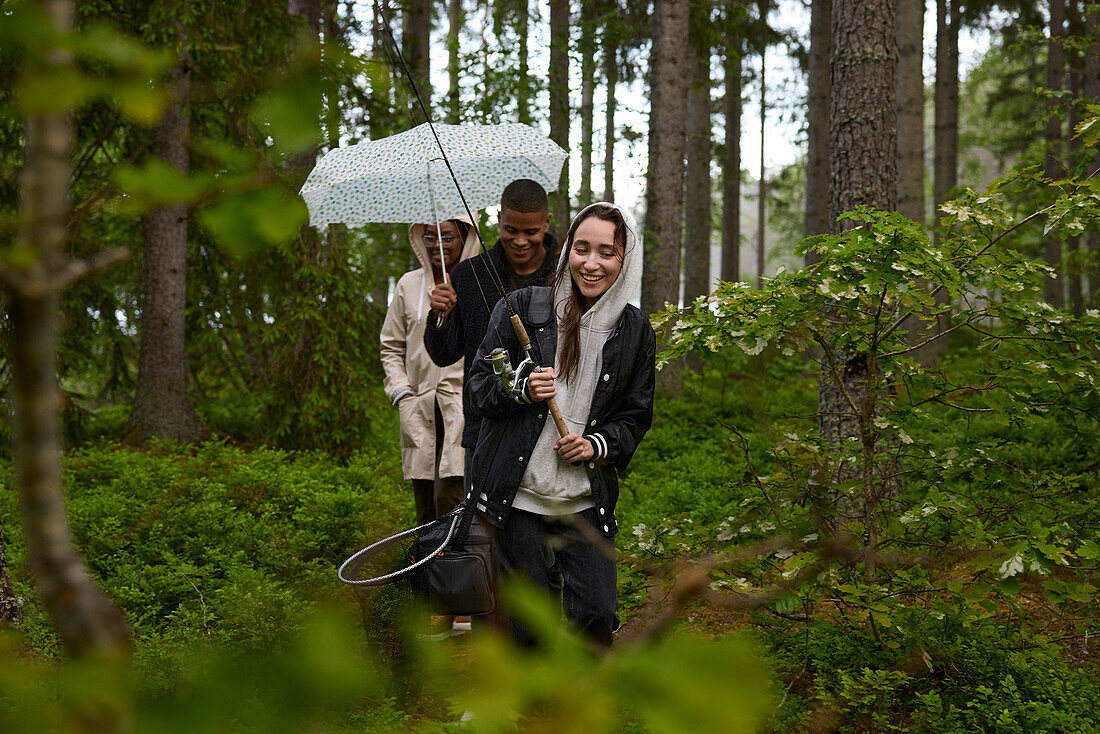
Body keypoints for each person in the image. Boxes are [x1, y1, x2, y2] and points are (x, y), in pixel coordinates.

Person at [465, 202, 655, 648]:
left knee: (596, 616)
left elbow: (635, 415)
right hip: (519, 500)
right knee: (527, 624)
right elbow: (476, 388)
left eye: (607, 253)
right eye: (582, 248)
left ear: (625, 260)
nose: (591, 264)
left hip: (584, 503)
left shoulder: (635, 331)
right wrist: (521, 388)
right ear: (567, 248)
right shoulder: (525, 309)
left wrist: (598, 445)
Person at [423, 179, 557, 479]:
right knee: (481, 525)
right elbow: (444, 355)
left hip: (550, 431)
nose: (520, 241)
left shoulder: (565, 275)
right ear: (499, 219)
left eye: (531, 232)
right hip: (484, 429)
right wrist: (439, 315)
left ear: (546, 222)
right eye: (511, 230)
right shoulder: (469, 275)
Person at [380, 216, 479, 525]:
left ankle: (458, 570)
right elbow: (391, 345)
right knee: (425, 506)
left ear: (466, 236)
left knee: (452, 499)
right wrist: (402, 392)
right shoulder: (409, 285)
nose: (437, 245)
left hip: (462, 409)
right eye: (430, 237)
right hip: (419, 407)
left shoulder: (479, 284)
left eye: (447, 237)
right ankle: (425, 571)